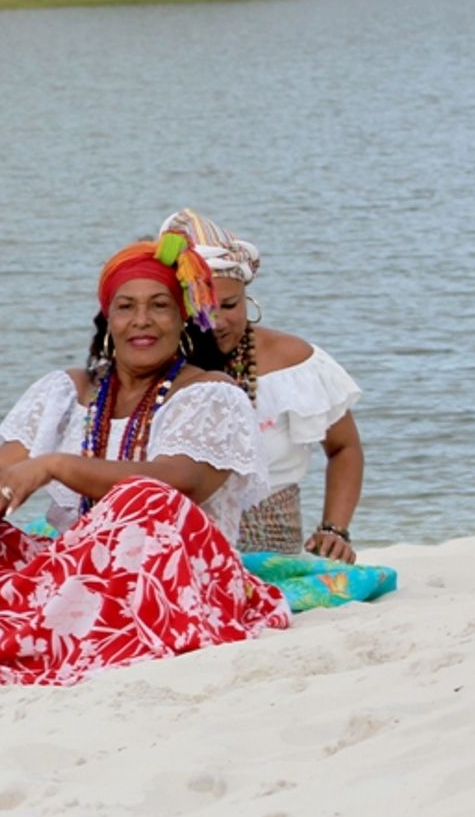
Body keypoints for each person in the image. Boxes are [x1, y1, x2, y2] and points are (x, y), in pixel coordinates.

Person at [0, 238, 292, 695]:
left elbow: (183, 481)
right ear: (107, 320)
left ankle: (16, 652)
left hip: (177, 574)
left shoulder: (211, 393)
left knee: (144, 500)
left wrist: (57, 466)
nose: (141, 320)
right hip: (73, 574)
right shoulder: (67, 391)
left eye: (159, 306)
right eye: (126, 307)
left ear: (183, 318)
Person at [159, 209, 396, 608]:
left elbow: (344, 448)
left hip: (272, 550)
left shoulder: (294, 362)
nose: (217, 322)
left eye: (229, 305)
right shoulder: (151, 367)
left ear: (248, 299)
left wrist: (335, 530)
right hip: (179, 549)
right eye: (201, 307)